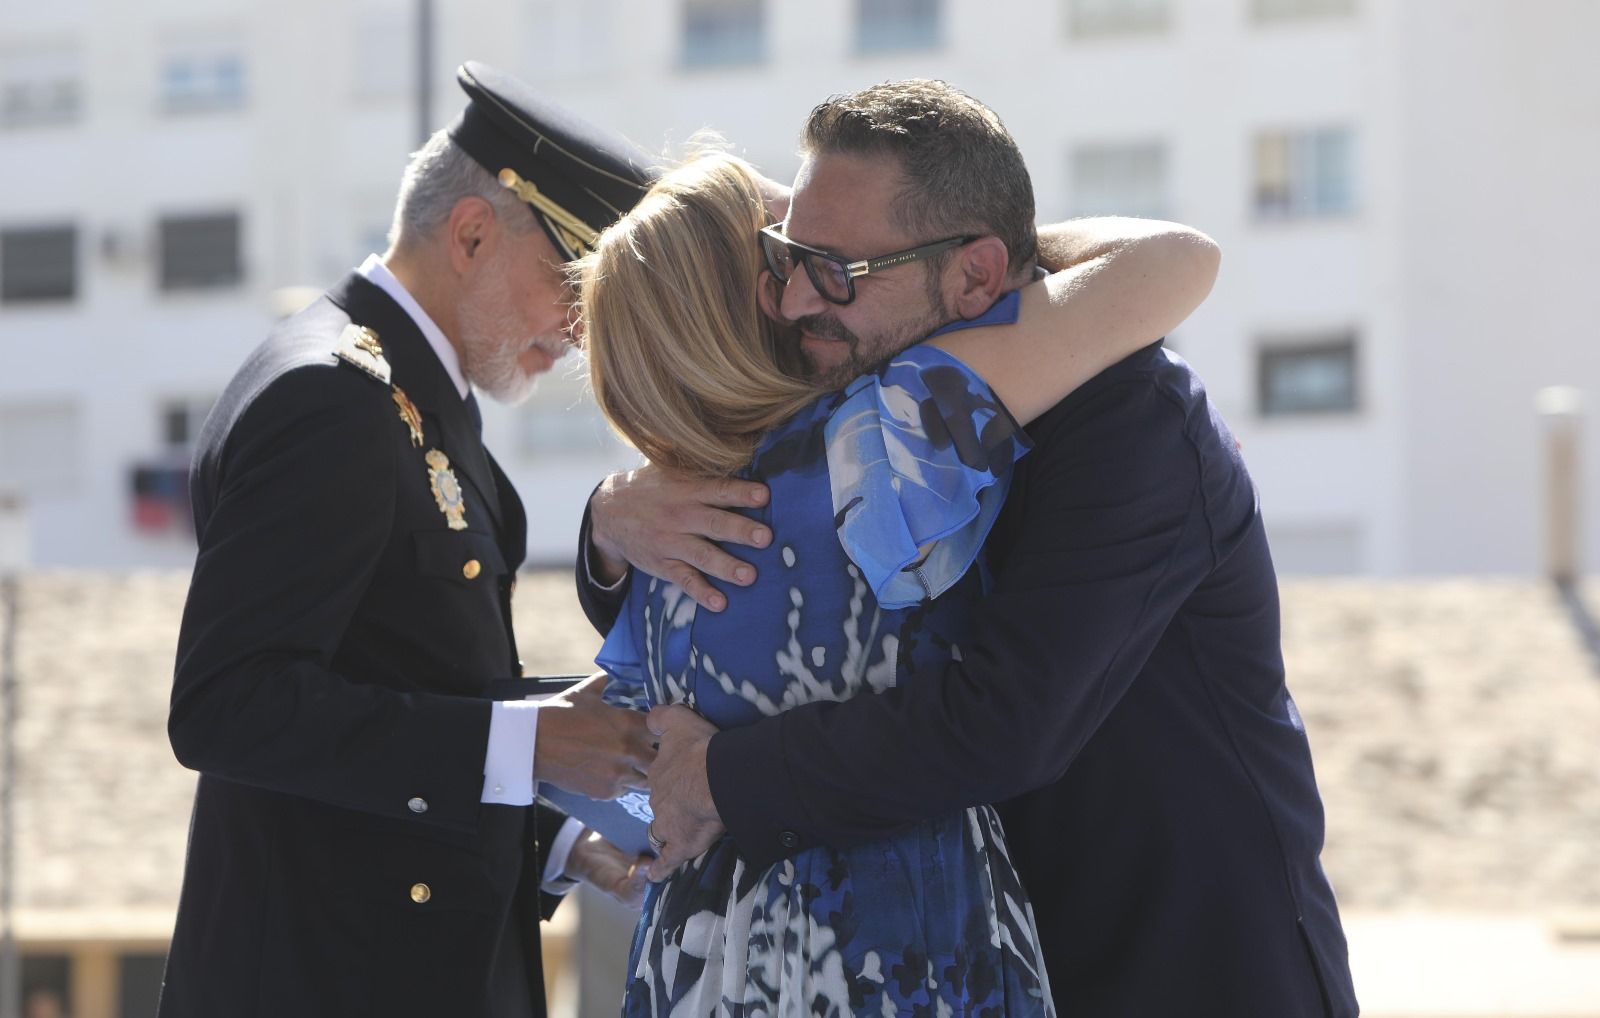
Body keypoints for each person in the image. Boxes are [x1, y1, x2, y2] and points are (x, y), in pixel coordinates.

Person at [580, 80, 1360, 1017]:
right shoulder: (868, 429)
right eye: (788, 259)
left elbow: (1006, 719)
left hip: (1174, 968)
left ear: (977, 278)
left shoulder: (1129, 421)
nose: (794, 302)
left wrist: (721, 776)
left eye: (836, 272)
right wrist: (610, 522)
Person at [160, 63, 658, 1018]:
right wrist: (533, 740)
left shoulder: (420, 403)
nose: (582, 333)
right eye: (575, 286)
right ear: (472, 233)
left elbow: (413, 689)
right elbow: (229, 705)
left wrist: (560, 834)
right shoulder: (332, 398)